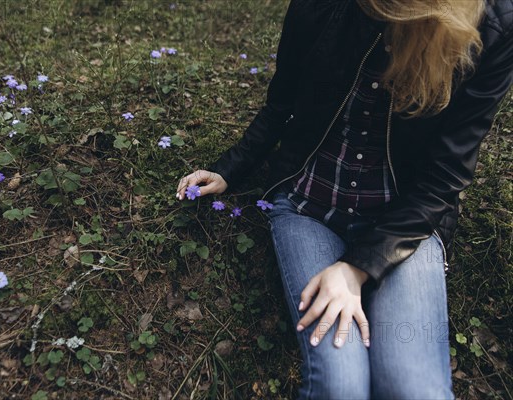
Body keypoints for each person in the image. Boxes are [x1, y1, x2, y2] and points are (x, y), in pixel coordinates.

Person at [176, 0, 513, 398]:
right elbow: (280, 104)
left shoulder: (493, 24)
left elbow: (445, 178)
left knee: (412, 387)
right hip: (308, 206)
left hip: (407, 222)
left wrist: (356, 269)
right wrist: (230, 168)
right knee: (341, 385)